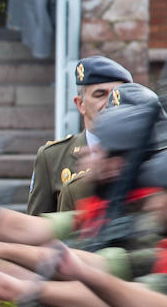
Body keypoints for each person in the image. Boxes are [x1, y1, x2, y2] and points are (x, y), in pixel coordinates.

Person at [25, 55, 132, 215]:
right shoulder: (52, 157)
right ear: (80, 104)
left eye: (117, 95)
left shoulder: (140, 151)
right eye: (100, 94)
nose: (110, 103)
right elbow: (34, 225)